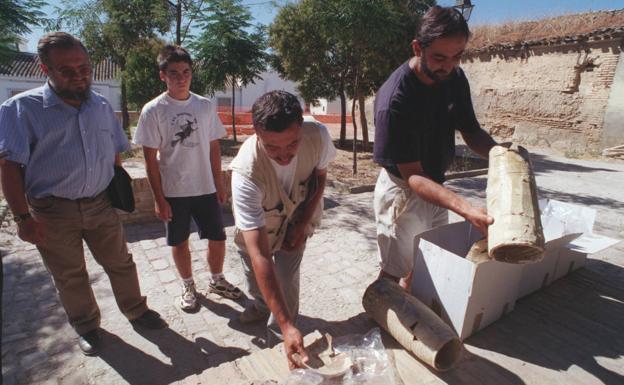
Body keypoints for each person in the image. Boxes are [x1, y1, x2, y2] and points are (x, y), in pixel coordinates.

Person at [0, 32, 166, 357]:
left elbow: (115, 153)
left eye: (84, 68)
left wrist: (114, 189)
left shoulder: (101, 105)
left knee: (121, 262)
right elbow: (8, 167)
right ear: (45, 69)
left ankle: (136, 309)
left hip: (100, 204)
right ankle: (87, 325)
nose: (79, 76)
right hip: (51, 211)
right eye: (67, 70)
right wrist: (22, 219)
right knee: (70, 274)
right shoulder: (20, 109)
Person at [373, 6, 500, 289]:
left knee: (425, 262)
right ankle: (382, 317)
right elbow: (413, 176)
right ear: (418, 48)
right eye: (440, 57)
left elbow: (472, 131)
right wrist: (465, 208)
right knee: (395, 270)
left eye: (457, 56)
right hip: (404, 193)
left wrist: (502, 156)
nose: (449, 65)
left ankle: (414, 318)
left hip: (436, 189)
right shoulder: (396, 100)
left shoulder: (453, 77)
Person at [230, 90, 336, 369]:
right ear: (255, 133)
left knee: (287, 281)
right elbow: (260, 256)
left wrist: (301, 223)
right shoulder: (244, 175)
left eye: (292, 144)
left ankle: (281, 340)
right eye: (272, 148)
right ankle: (263, 307)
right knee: (257, 282)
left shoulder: (318, 135)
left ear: (301, 128)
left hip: (296, 219)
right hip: (258, 234)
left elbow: (319, 178)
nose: (284, 155)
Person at [133, 45, 241, 312]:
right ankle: (188, 285)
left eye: (186, 72)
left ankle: (216, 280)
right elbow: (149, 159)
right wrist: (159, 198)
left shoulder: (204, 105)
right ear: (163, 76)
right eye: (174, 73)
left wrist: (219, 184)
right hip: (174, 190)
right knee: (179, 241)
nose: (181, 78)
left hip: (204, 187)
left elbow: (214, 147)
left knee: (218, 237)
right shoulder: (153, 110)